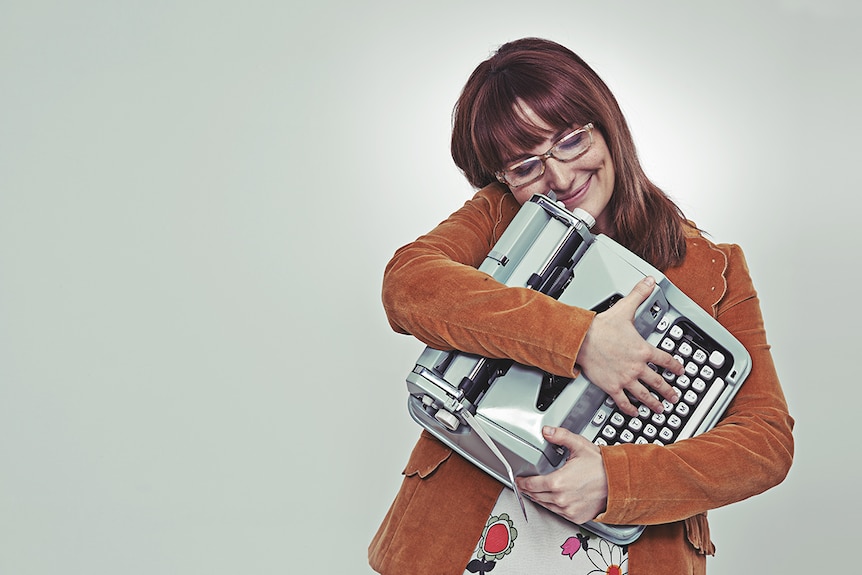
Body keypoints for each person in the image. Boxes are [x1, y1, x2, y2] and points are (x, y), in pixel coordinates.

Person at [368, 37, 794, 575]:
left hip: (630, 552)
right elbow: (409, 284)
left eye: (570, 140)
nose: (561, 178)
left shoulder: (715, 266)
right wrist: (581, 339)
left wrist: (617, 480)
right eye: (524, 166)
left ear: (605, 124)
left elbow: (765, 442)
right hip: (469, 537)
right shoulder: (502, 216)